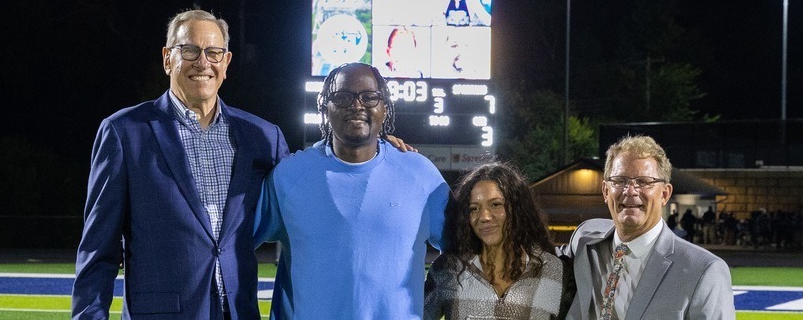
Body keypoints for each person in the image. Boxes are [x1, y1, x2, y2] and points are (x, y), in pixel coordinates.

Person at [72, 10, 289, 319]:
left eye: (214, 52)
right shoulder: (124, 132)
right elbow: (98, 252)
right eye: (189, 50)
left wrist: (381, 153)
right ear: (167, 58)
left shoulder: (263, 137)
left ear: (225, 63)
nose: (203, 62)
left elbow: (305, 204)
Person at [253, 63, 449, 319]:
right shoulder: (289, 176)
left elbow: (468, 250)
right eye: (342, 97)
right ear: (325, 107)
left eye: (369, 97)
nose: (356, 105)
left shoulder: (420, 174)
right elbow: (231, 246)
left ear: (384, 108)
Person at [558, 135, 735, 320]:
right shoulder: (585, 239)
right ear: (605, 191)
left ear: (664, 194)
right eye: (619, 180)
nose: (630, 191)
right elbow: (537, 258)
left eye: (644, 182)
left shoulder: (704, 270)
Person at [424, 162, 574, 319]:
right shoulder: (449, 269)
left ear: (518, 208)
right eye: (473, 208)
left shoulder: (555, 271)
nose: (484, 217)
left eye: (496, 204)